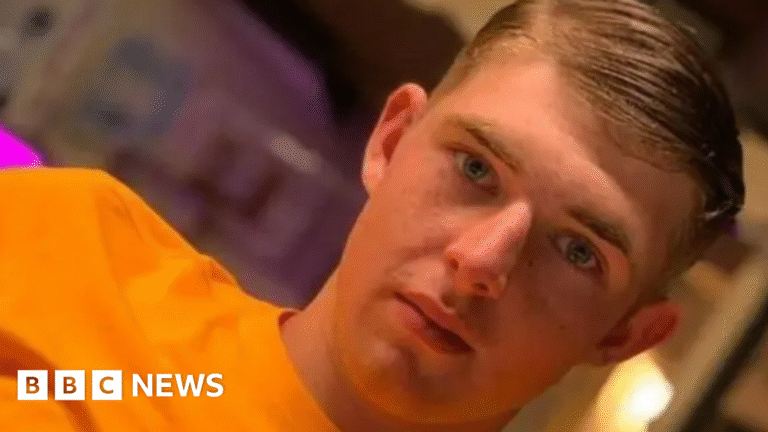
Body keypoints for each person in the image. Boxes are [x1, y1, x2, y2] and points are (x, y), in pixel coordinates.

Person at [0, 0, 745, 431]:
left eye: (579, 250)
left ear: (623, 336)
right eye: (476, 169)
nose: (481, 262)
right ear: (391, 141)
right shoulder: (68, 254)